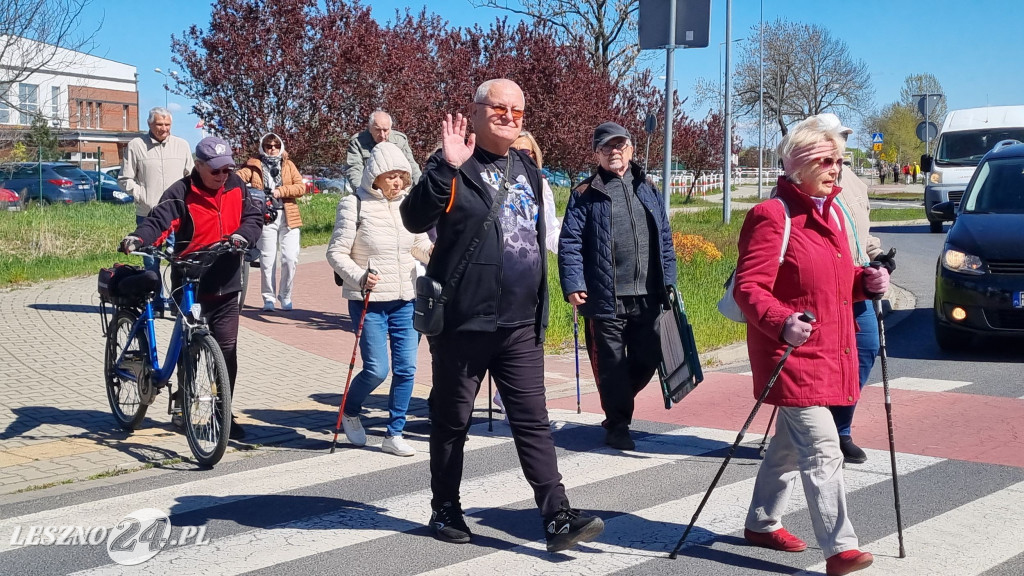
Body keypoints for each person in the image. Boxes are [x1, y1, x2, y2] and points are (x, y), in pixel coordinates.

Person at [400, 78, 604, 553]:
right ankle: (445, 507)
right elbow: (413, 219)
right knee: (452, 422)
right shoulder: (450, 165)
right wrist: (444, 169)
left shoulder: (528, 169)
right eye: (499, 108)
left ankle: (557, 517)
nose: (509, 116)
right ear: (475, 112)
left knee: (533, 421)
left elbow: (536, 237)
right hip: (463, 324)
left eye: (517, 110)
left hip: (519, 325)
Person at [733, 116, 889, 575]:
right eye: (825, 160)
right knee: (823, 447)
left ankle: (761, 522)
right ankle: (841, 548)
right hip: (792, 355)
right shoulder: (771, 216)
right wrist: (782, 322)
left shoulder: (834, 214)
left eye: (839, 161)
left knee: (787, 444)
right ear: (798, 165)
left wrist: (868, 281)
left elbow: (837, 284)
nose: (835, 169)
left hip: (829, 351)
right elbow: (749, 288)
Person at [119, 136, 263, 440]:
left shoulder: (236, 185)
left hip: (226, 281)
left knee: (226, 351)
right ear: (198, 166)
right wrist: (137, 238)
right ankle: (183, 406)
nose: (222, 176)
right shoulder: (180, 192)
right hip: (189, 281)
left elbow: (253, 218)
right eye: (215, 171)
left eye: (226, 169)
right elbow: (157, 222)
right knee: (190, 350)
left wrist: (242, 235)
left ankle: (223, 414)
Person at [557, 121, 676, 451]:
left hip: (648, 293)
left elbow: (665, 238)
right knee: (610, 363)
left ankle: (617, 403)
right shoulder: (585, 193)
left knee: (649, 355)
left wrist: (669, 279)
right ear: (596, 153)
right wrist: (573, 283)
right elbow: (570, 243)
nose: (614, 151)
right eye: (606, 147)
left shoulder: (648, 188)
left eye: (619, 145)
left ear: (631, 149)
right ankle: (619, 423)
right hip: (604, 294)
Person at [326, 142, 432, 457]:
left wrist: (435, 254)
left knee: (407, 369)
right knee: (376, 369)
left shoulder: (408, 204)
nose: (398, 182)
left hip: (406, 298)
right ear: (375, 176)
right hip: (368, 300)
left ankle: (394, 433)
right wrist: (359, 276)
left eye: (402, 175)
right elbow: (335, 252)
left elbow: (419, 244)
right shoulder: (353, 204)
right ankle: (350, 410)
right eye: (391, 176)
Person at [814, 114, 896, 465]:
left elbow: (862, 234)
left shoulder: (856, 183)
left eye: (844, 136)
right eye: (833, 137)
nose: (840, 143)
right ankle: (816, 433)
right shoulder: (803, 182)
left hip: (859, 287)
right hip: (822, 290)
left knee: (864, 350)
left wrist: (880, 257)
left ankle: (841, 430)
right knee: (821, 364)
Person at [119, 107, 195, 313]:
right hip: (149, 216)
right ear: (150, 124)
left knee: (179, 261)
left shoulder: (182, 145)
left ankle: (178, 303)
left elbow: (192, 177)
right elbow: (125, 178)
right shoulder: (136, 145)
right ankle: (156, 303)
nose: (164, 129)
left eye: (167, 124)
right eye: (159, 124)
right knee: (151, 262)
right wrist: (143, 196)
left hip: (178, 216)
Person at [235, 133, 306, 312]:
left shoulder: (288, 165)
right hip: (265, 217)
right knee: (267, 260)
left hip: (288, 216)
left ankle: (286, 295)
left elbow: (301, 187)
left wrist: (281, 191)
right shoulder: (254, 165)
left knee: (290, 258)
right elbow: (237, 178)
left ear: (280, 146)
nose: (272, 148)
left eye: (275, 145)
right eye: (268, 145)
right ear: (262, 147)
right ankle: (268, 298)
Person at [345, 110, 422, 188]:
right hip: (369, 190)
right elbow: (354, 169)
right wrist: (361, 191)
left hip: (398, 189)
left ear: (390, 128)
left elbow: (412, 166)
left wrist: (421, 187)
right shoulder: (358, 142)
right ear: (370, 128)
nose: (382, 135)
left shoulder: (400, 141)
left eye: (385, 130)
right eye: (378, 130)